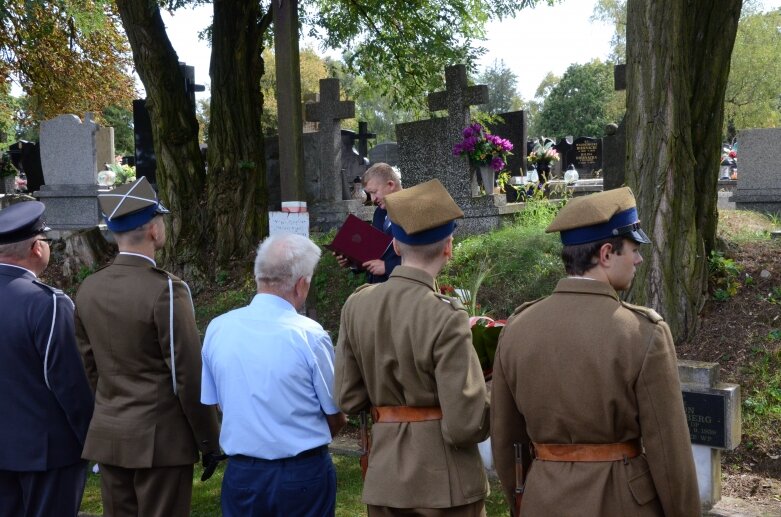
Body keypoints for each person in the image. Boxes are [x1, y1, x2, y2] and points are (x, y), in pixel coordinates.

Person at [490, 187, 700, 517]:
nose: (638, 259)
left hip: (543, 499)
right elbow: (669, 451)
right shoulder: (643, 332)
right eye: (633, 248)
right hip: (621, 503)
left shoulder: (517, 327)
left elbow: (507, 443)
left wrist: (524, 500)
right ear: (605, 254)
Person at [335, 179, 490, 516]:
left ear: (396, 245)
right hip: (444, 482)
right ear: (448, 247)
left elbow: (348, 398)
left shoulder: (357, 305)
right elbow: (465, 423)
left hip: (385, 475)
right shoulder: (446, 315)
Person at [74, 177, 221, 517]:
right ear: (154, 230)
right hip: (160, 442)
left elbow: (90, 368)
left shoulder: (89, 289)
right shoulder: (167, 290)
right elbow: (186, 375)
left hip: (111, 436)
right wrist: (209, 441)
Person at [201, 232, 346, 517]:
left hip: (243, 472)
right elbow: (335, 413)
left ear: (258, 276)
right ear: (301, 284)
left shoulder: (218, 328)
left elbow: (216, 403)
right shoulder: (309, 334)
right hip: (302, 470)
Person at [0, 201, 94, 517]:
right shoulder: (47, 304)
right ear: (37, 248)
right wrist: (91, 439)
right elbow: (69, 383)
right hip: (48, 454)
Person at [335, 162, 402, 283]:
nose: (372, 199)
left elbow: (424, 256)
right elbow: (375, 252)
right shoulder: (379, 213)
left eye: (374, 192)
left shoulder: (414, 212)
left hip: (402, 290)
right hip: (375, 290)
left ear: (390, 184)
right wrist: (353, 261)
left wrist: (388, 267)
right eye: (369, 194)